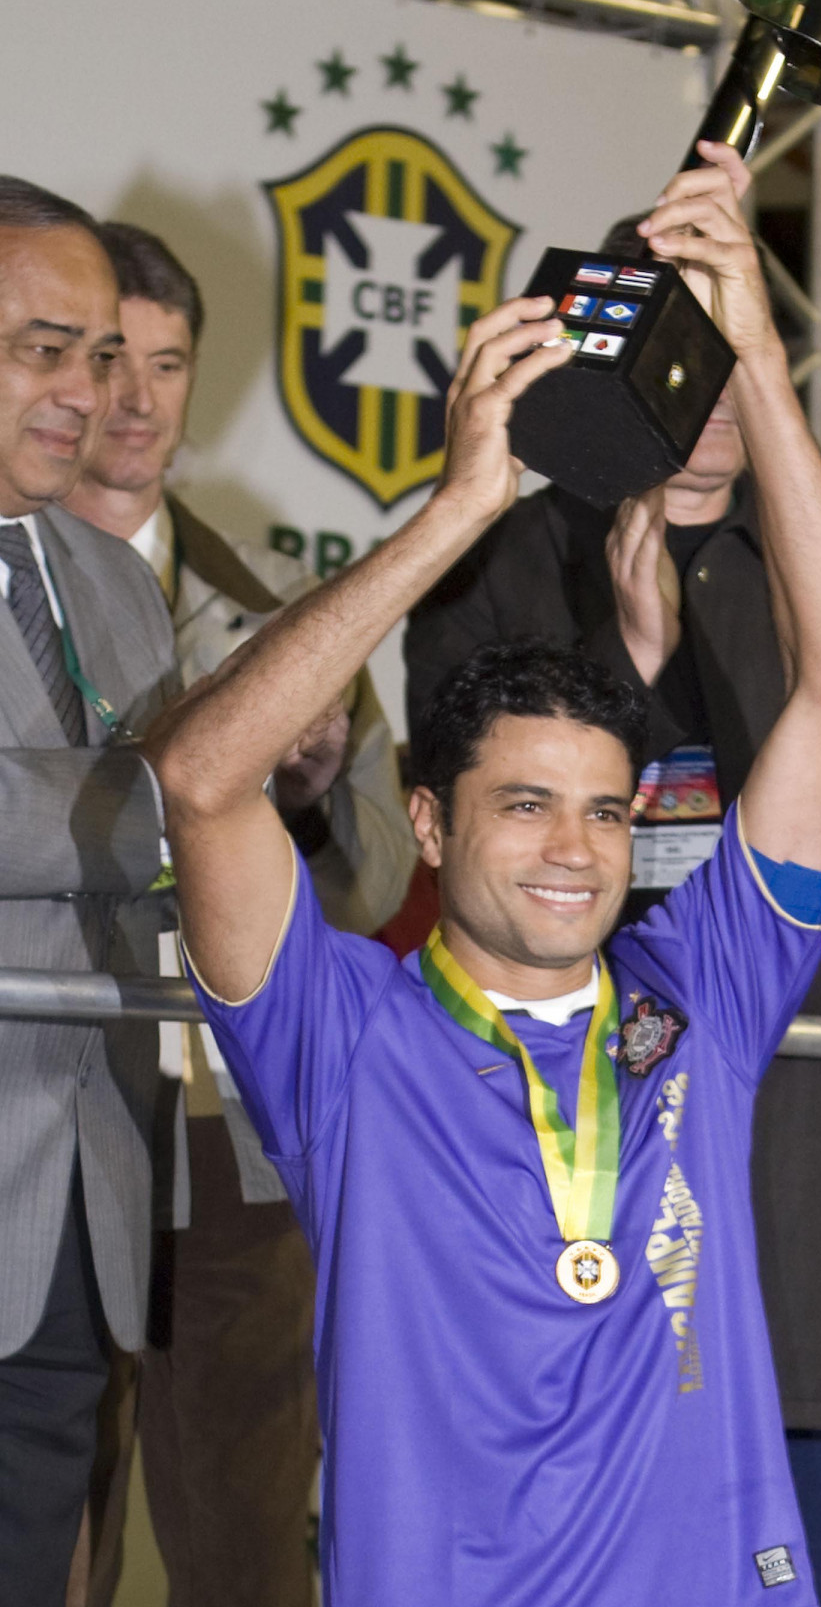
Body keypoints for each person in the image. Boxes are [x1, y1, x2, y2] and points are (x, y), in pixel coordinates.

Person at [144, 141, 821, 1606]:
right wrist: (459, 507)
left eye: (607, 816)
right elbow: (198, 778)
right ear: (427, 825)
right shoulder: (340, 1032)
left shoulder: (702, 1001)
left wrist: (752, 359)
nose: (574, 852)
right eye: (527, 806)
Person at [403, 204, 821, 1607]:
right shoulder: (504, 550)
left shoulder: (814, 557)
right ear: (616, 354)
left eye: (748, 350)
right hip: (574, 1120)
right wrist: (636, 662)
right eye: (689, 350)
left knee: (791, 1522)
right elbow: (492, 843)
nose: (719, 389)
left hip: (795, 1140)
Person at [63, 221, 415, 1607]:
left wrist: (317, 795)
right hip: (44, 1112)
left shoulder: (276, 616)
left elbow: (379, 878)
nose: (138, 400)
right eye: (106, 359)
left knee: (246, 1543)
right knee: (41, 1528)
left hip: (230, 1139)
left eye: (168, 362)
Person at [0, 177, 178, 1606]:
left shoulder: (115, 586)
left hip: (75, 1201)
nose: (88, 393)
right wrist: (185, 789)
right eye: (43, 349)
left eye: (101, 353)